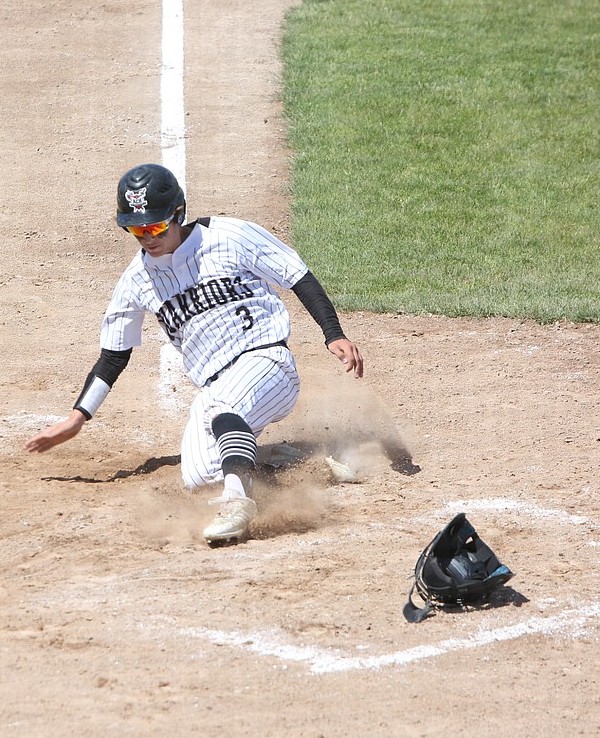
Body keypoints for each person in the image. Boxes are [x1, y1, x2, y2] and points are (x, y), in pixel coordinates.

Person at [24, 164, 364, 545]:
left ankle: (237, 504)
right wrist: (77, 418)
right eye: (135, 230)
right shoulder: (137, 279)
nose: (146, 238)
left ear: (178, 215)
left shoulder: (230, 236)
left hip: (267, 362)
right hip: (215, 386)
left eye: (154, 227)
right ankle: (302, 465)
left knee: (223, 411)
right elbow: (113, 356)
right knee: (199, 478)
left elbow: (296, 275)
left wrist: (333, 333)